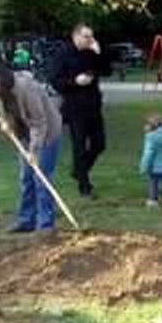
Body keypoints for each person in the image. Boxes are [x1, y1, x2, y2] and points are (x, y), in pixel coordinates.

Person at [0, 64, 62, 232]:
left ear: (1, 81)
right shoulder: (0, 94)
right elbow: (10, 114)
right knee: (26, 178)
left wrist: (34, 151)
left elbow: (40, 122)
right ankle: (26, 220)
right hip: (25, 135)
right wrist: (7, 124)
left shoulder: (27, 88)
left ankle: (45, 225)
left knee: (41, 179)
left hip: (46, 134)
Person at [50, 23, 111, 198]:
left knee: (99, 144)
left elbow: (106, 70)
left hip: (93, 104)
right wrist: (75, 82)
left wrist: (100, 53)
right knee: (79, 145)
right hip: (74, 106)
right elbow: (55, 80)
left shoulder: (92, 51)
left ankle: (78, 171)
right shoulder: (63, 54)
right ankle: (84, 186)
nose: (90, 40)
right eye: (86, 36)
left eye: (91, 36)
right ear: (75, 36)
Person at [139, 114, 162, 208]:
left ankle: (153, 199)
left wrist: (143, 166)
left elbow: (148, 154)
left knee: (153, 183)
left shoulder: (150, 138)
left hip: (153, 167)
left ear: (151, 126)